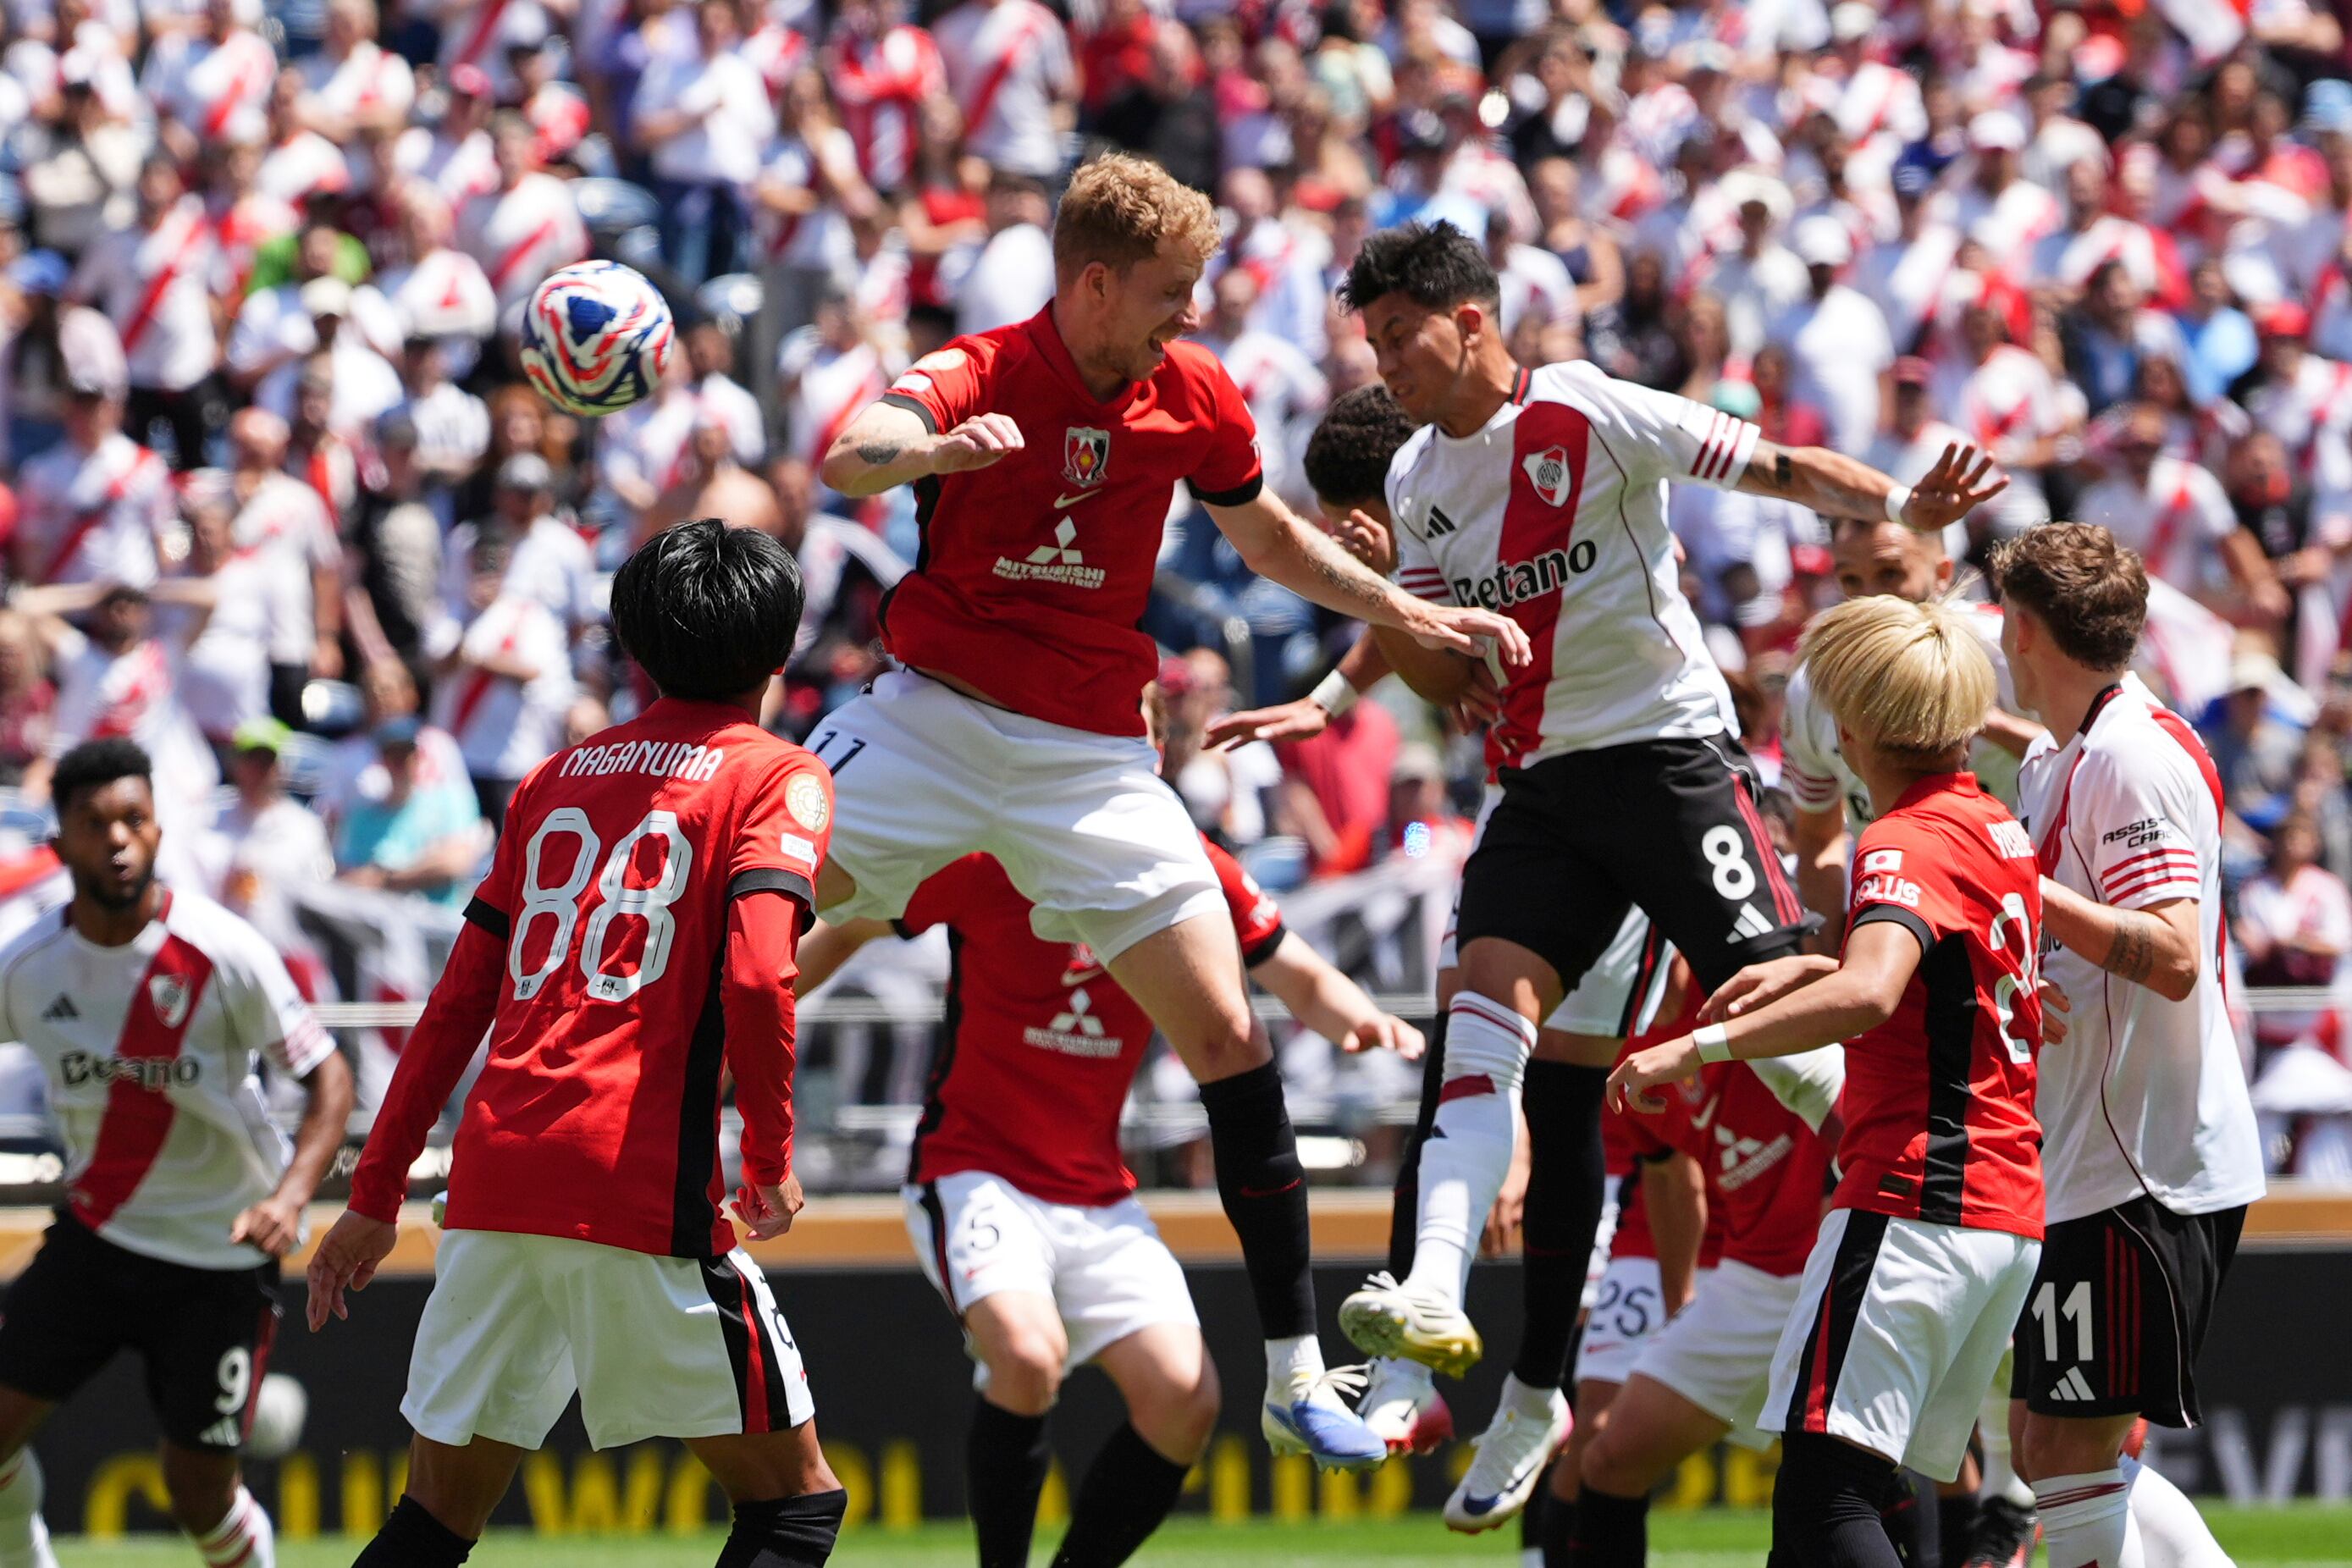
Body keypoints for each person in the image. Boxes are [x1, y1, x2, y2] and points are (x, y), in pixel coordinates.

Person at [811, 154, 1527, 1470]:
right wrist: (930, 449)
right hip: (930, 720)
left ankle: (1294, 1374)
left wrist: (1407, 611)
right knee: (745, 898)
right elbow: (852, 450)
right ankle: (605, 1136)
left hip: (1089, 760)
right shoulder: (984, 366)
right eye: (1168, 291)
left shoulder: (1191, 391)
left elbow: (1268, 541)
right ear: (1094, 285)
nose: (1189, 314)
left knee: (1231, 1039)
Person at [1328, 219, 2000, 1401]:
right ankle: (1430, 1291)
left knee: (1787, 1024)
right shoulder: (1413, 478)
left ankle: (1944, 1209)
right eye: (1372, 342)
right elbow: (1438, 674)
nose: (1384, 364)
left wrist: (1903, 499)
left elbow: (1777, 469)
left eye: (1398, 335)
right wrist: (1389, 598)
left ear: (1468, 322)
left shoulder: (1588, 409)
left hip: (1668, 761)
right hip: (1540, 786)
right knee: (1479, 1028)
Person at [306, 519, 848, 1568]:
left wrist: (375, 1194)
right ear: (784, 649)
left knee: (434, 1517)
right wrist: (770, 1157)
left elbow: (455, 1005)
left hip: (498, 1176)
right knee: (793, 1505)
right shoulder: (779, 775)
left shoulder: (552, 777)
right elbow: (757, 973)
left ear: (633, 648)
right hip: (636, 1180)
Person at [792, 714, 1419, 1568]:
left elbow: (1297, 972)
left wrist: (1367, 1021)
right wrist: (743, 1007)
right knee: (1027, 1356)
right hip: (974, 1170)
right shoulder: (981, 852)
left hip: (1098, 1191)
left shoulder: (1185, 864)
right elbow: (847, 928)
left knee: (1186, 1402)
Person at [1610, 593, 2045, 1568]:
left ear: (1853, 726)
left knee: (1824, 1498)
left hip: (1914, 1198)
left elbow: (1873, 992)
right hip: (2001, 1204)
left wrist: (1696, 1048)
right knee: (1846, 1502)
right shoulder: (1994, 824)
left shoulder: (1901, 838)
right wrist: (1817, 963)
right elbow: (1941, 974)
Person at [0, 737, 354, 1568]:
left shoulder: (222, 951)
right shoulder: (27, 966)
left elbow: (329, 1077)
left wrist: (290, 1197)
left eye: (134, 819)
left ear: (160, 831)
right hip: (98, 1238)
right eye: (95, 824)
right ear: (61, 842)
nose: (118, 839)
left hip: (218, 1253)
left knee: (197, 1495)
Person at [1997, 523, 2266, 1568]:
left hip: (2142, 1163)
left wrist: (2019, 886)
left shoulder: (2128, 758)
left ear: (2024, 630)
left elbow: (2173, 955)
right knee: (2045, 1443)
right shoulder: (2068, 750)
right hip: (2093, 1151)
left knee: (2066, 1450)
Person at [1782, 516, 2040, 931]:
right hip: (1900, 909)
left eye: (1890, 573)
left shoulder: (2005, 649)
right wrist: (1827, 949)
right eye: (1850, 579)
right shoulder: (1812, 686)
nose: (1870, 597)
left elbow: (2092, 754)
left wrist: (1986, 721)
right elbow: (1817, 837)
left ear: (1942, 573)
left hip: (2024, 907)